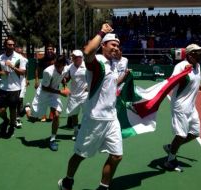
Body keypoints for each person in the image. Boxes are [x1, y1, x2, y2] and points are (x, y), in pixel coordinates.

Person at [58, 23, 130, 190]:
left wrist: (124, 77)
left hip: (111, 119)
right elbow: (88, 52)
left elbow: (110, 85)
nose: (116, 48)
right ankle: (68, 180)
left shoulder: (113, 64)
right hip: (94, 119)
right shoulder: (97, 62)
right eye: (113, 44)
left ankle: (103, 187)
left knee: (117, 156)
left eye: (117, 45)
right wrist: (102, 32)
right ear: (103, 45)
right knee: (80, 155)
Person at [163, 44, 201, 171]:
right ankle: (170, 160)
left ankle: (171, 147)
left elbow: (196, 83)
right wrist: (184, 73)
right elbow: (172, 81)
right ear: (190, 54)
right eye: (198, 52)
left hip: (191, 107)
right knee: (181, 135)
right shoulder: (181, 66)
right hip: (180, 106)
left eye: (200, 52)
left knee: (195, 133)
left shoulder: (197, 66)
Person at [22, 55, 70, 151]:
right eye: (55, 64)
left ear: (64, 65)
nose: (56, 66)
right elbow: (45, 88)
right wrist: (61, 92)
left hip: (53, 94)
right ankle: (27, 109)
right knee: (33, 119)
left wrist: (64, 81)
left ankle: (52, 139)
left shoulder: (66, 69)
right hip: (43, 94)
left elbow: (64, 76)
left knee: (56, 115)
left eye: (59, 65)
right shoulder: (48, 71)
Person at [0, 37, 26, 138]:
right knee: (1, 110)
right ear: (5, 45)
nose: (12, 47)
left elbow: (23, 72)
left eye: (13, 45)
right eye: (9, 45)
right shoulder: (0, 58)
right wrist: (2, 72)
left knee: (13, 110)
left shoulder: (19, 57)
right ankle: (6, 120)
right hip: (3, 88)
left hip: (14, 89)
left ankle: (12, 126)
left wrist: (13, 67)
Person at [64, 49, 88, 140]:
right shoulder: (70, 67)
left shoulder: (87, 66)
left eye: (76, 57)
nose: (73, 58)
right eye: (73, 57)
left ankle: (85, 132)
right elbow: (67, 78)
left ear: (81, 57)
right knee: (74, 115)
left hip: (85, 95)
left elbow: (93, 77)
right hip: (73, 95)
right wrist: (65, 81)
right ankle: (76, 131)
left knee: (87, 114)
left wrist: (89, 86)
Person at [34, 43, 56, 122]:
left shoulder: (56, 58)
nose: (49, 51)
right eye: (48, 49)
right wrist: (36, 80)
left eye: (51, 49)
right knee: (43, 99)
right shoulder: (42, 59)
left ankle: (51, 114)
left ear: (53, 50)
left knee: (54, 98)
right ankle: (43, 115)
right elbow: (37, 70)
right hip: (45, 82)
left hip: (55, 82)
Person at [14, 46, 29, 128]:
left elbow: (26, 71)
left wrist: (26, 80)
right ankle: (24, 110)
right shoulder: (12, 59)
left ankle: (18, 118)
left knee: (19, 100)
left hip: (22, 83)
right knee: (14, 101)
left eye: (20, 53)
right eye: (17, 52)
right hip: (13, 83)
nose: (19, 54)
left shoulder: (25, 60)